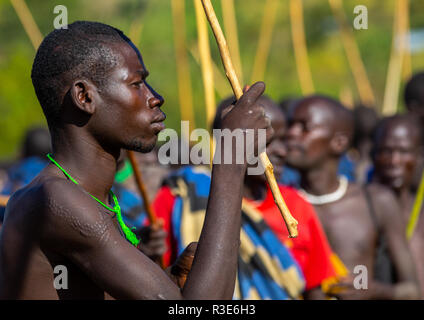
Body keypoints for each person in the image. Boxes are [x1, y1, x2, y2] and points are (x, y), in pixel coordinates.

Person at [0, 21, 272, 299]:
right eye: (136, 84)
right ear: (84, 97)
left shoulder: (92, 199)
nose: (156, 98)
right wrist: (231, 159)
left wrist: (172, 277)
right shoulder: (55, 200)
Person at [154, 95, 340, 299]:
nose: (282, 151)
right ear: (228, 141)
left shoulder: (295, 206)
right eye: (267, 142)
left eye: (284, 140)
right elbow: (158, 280)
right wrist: (151, 250)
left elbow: (315, 289)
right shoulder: (181, 197)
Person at [285, 95, 420, 299]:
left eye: (304, 127)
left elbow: (412, 291)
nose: (292, 134)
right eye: (291, 125)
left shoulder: (374, 202)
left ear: (339, 142)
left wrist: (373, 290)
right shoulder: (280, 205)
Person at [372, 115, 424, 296]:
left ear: (418, 156)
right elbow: (358, 281)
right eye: (386, 151)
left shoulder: (420, 213)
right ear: (374, 154)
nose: (394, 161)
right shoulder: (362, 210)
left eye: (403, 151)